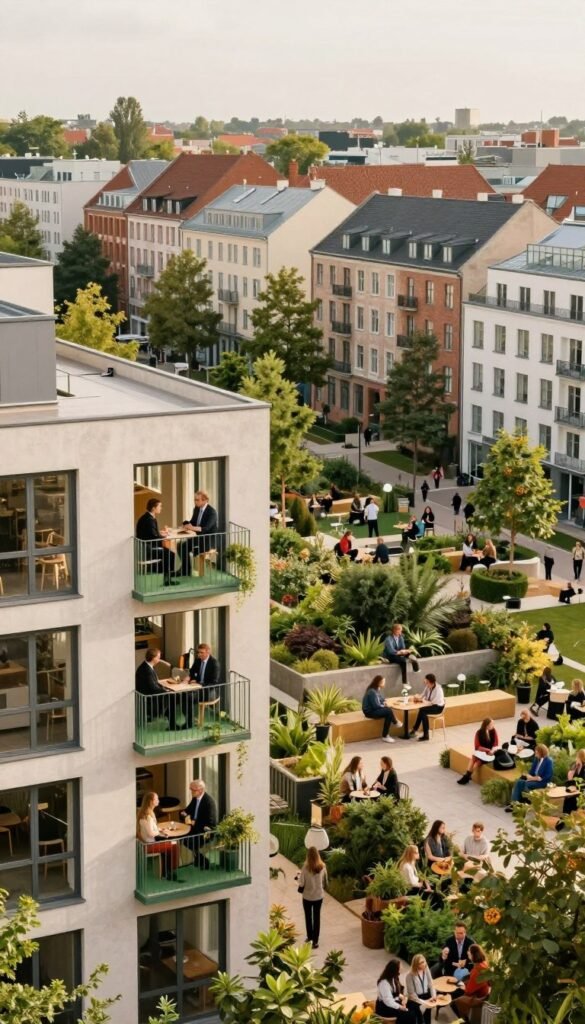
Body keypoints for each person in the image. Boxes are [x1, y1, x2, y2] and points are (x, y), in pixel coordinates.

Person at [135, 647, 184, 731]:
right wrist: (166, 691)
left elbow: (154, 684)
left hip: (150, 695)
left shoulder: (146, 666)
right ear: (153, 658)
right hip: (150, 699)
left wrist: (164, 689)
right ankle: (172, 724)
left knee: (173, 697)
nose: (159, 659)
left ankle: (170, 720)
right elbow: (153, 688)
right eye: (158, 657)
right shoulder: (147, 670)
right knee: (173, 698)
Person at [136, 792, 181, 882]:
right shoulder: (148, 816)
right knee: (174, 845)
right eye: (156, 799)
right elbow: (151, 833)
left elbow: (150, 828)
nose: (158, 801)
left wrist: (160, 829)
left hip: (146, 843)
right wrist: (160, 832)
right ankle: (171, 871)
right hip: (148, 846)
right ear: (151, 801)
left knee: (170, 844)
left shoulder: (145, 813)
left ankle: (166, 871)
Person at [136, 498, 178, 586]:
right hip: (147, 550)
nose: (161, 508)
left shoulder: (146, 517)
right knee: (170, 554)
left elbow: (151, 533)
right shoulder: (150, 520)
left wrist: (160, 533)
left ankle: (165, 575)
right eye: (159, 506)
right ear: (153, 508)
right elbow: (153, 536)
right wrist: (164, 535)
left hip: (144, 547)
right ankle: (167, 580)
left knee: (167, 552)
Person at [180, 490, 219, 577]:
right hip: (198, 538)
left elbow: (206, 529)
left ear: (205, 500)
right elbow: (193, 522)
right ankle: (185, 571)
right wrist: (186, 523)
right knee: (181, 546)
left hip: (207, 540)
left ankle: (187, 571)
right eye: (195, 499)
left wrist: (191, 527)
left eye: (197, 500)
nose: (195, 501)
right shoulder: (197, 509)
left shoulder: (212, 512)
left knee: (186, 547)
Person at [179, 780, 218, 866]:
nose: (191, 792)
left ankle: (199, 860)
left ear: (200, 790)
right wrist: (183, 813)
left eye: (193, 790)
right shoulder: (195, 799)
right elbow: (187, 810)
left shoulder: (209, 802)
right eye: (190, 789)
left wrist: (194, 822)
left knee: (187, 840)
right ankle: (198, 859)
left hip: (204, 831)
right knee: (181, 837)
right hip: (194, 828)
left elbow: (210, 823)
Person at [506, 743, 553, 810]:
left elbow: (548, 775)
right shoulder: (536, 759)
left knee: (525, 784)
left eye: (537, 752)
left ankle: (523, 803)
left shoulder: (548, 761)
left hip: (543, 782)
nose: (535, 754)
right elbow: (532, 771)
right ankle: (514, 804)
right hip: (534, 779)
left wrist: (534, 778)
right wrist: (528, 776)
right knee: (519, 782)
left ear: (542, 752)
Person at [451, 944, 491, 1022]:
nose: (467, 952)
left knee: (453, 1003)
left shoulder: (477, 970)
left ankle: (465, 1021)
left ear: (473, 954)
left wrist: (460, 984)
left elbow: (468, 991)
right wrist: (462, 983)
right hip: (484, 992)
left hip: (479, 997)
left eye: (469, 951)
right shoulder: (483, 963)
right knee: (458, 988)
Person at [298, 847, 327, 949]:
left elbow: (301, 883)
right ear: (317, 855)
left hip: (307, 897)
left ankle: (310, 938)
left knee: (308, 917)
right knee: (317, 917)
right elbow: (325, 881)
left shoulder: (305, 868)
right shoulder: (323, 867)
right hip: (319, 896)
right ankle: (316, 941)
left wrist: (297, 878)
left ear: (308, 855)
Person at [457, 718, 499, 784]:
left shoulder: (493, 731)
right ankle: (467, 776)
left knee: (478, 762)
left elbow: (496, 743)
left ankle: (467, 776)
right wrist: (487, 750)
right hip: (483, 752)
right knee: (474, 757)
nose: (493, 725)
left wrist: (492, 751)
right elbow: (477, 746)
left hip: (490, 754)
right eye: (492, 724)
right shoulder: (479, 732)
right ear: (487, 725)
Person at [362, 675, 401, 743]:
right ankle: (393, 724)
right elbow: (376, 706)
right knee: (388, 711)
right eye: (383, 682)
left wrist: (386, 702)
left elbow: (381, 699)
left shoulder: (375, 690)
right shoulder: (372, 692)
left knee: (388, 713)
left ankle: (387, 733)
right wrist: (385, 705)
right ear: (379, 683)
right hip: (369, 712)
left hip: (373, 710)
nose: (384, 683)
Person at [409, 673, 445, 741]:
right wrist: (416, 697)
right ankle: (418, 731)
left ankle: (423, 734)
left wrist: (421, 700)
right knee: (422, 710)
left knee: (423, 711)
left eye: (426, 682)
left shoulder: (438, 689)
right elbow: (423, 695)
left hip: (438, 707)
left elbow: (432, 703)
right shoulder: (428, 686)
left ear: (431, 682)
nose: (425, 684)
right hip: (431, 705)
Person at [555, 748, 585, 828]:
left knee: (570, 800)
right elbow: (570, 783)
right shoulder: (577, 767)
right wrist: (570, 777)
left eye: (577, 756)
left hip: (582, 793)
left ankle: (563, 822)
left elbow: (582, 784)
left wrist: (571, 780)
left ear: (581, 757)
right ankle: (564, 821)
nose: (576, 758)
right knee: (568, 799)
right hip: (575, 792)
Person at [405, 954, 437, 1024]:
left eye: (424, 962)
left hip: (426, 996)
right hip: (416, 999)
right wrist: (424, 1002)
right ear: (416, 965)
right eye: (421, 963)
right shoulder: (409, 975)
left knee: (427, 1017)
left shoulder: (426, 969)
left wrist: (433, 996)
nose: (424, 964)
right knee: (419, 1019)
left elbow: (431, 984)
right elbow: (412, 994)